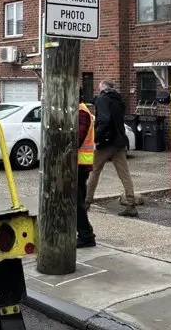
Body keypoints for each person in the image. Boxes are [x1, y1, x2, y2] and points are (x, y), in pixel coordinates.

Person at [86, 80, 138, 217]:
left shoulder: (103, 99)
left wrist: (97, 138)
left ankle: (87, 201)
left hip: (106, 142)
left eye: (99, 88)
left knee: (95, 170)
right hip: (119, 141)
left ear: (103, 87)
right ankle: (131, 204)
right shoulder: (119, 100)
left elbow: (104, 120)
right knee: (124, 174)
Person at [77, 90, 97, 248]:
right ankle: (85, 234)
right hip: (77, 164)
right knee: (77, 202)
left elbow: (76, 139)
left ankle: (86, 235)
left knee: (77, 203)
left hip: (79, 164)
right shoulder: (80, 111)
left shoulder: (82, 113)